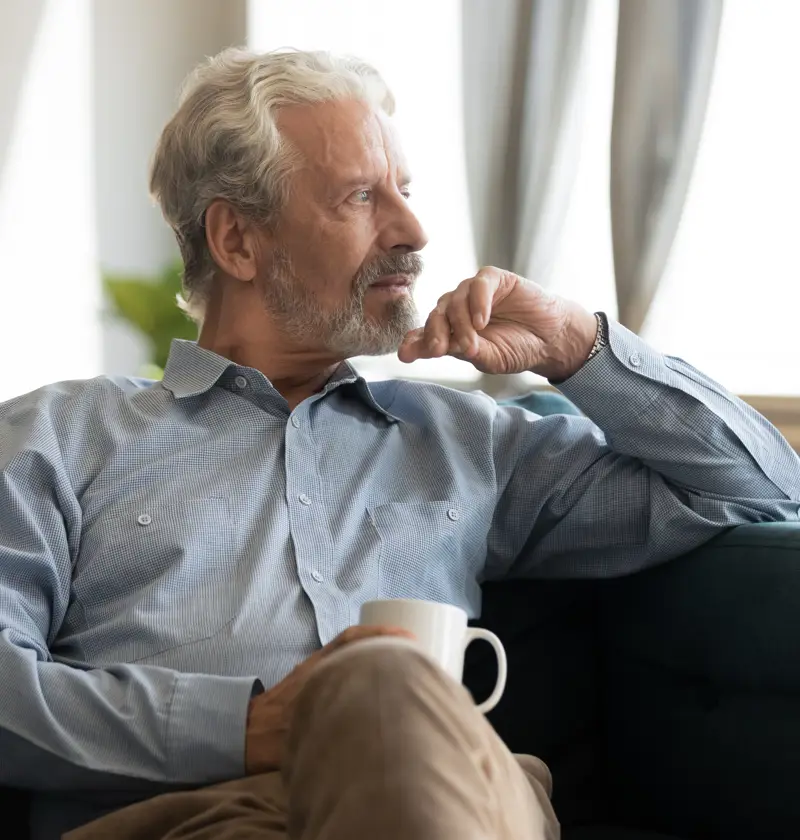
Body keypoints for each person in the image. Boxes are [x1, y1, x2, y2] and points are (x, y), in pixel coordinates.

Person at [0, 47, 798, 840]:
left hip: (457, 796)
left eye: (405, 191)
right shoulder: (62, 439)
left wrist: (577, 345)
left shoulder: (465, 442)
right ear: (237, 240)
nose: (413, 229)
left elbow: (756, 491)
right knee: (384, 675)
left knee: (391, 686)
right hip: (197, 817)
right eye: (359, 197)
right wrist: (242, 730)